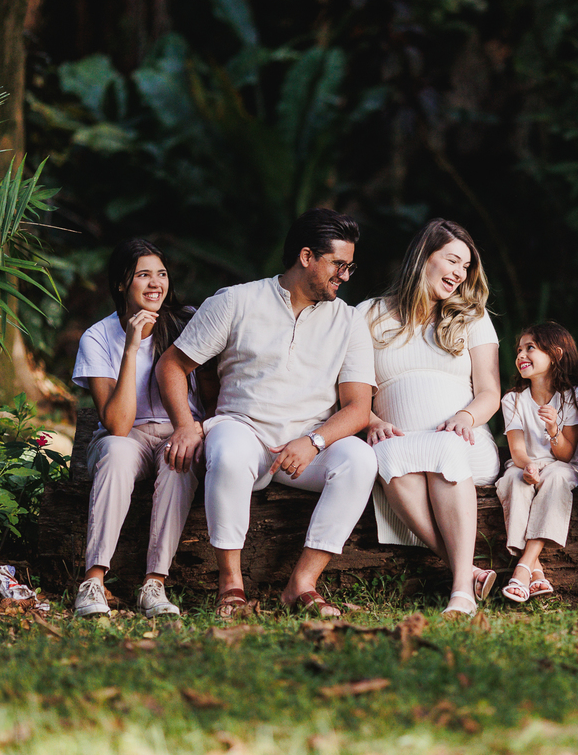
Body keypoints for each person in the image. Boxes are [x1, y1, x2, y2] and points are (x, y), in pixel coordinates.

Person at [155, 208, 377, 618]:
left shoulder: (348, 320)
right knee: (227, 450)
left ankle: (303, 584)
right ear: (307, 256)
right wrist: (185, 426)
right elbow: (172, 364)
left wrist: (314, 442)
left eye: (351, 266)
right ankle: (231, 585)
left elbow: (359, 408)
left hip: (307, 447)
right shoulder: (236, 301)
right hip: (244, 430)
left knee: (361, 459)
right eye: (339, 265)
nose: (346, 276)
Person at [362, 219, 501, 619]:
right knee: (387, 457)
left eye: (466, 267)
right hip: (400, 445)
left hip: (465, 441)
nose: (460, 273)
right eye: (453, 260)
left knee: (443, 447)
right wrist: (371, 420)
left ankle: (461, 591)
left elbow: (490, 391)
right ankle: (468, 571)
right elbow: (348, 390)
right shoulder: (368, 315)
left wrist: (465, 416)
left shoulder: (472, 317)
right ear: (424, 257)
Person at [72, 239, 203, 618]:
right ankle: (93, 582)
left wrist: (194, 428)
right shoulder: (98, 337)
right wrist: (131, 347)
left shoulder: (187, 323)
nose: (155, 284)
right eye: (143, 275)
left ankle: (154, 585)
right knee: (116, 450)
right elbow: (116, 424)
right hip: (125, 437)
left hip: (178, 432)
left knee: (179, 458)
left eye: (161, 274)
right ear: (121, 284)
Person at [495, 322, 578, 603]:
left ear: (556, 354)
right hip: (526, 464)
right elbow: (517, 449)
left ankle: (523, 567)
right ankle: (536, 572)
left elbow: (566, 455)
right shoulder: (513, 399)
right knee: (513, 479)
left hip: (562, 466)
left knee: (556, 476)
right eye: (519, 349)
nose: (521, 355)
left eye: (530, 348)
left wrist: (553, 430)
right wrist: (527, 466)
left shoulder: (573, 397)